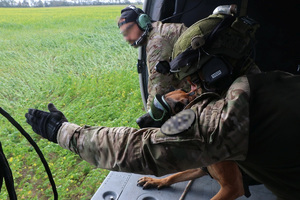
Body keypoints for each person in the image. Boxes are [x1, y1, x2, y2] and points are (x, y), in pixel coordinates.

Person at [25, 70, 300, 200]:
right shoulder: (274, 81)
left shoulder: (229, 120)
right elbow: (205, 168)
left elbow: (142, 149)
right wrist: (165, 181)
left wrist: (63, 132)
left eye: (189, 84)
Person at [118, 5, 190, 109]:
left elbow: (158, 88)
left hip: (204, 86)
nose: (127, 38)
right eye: (124, 34)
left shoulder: (156, 42)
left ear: (142, 22)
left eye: (129, 30)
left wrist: (150, 115)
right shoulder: (160, 30)